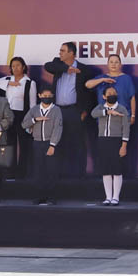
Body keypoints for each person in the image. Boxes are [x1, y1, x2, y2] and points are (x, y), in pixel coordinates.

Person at [44, 42, 93, 178]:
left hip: (74, 111)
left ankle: (79, 175)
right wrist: (66, 69)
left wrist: (84, 111)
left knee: (78, 143)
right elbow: (48, 66)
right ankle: (58, 175)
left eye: (63, 50)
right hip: (58, 111)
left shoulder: (83, 69)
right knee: (57, 142)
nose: (60, 53)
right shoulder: (57, 64)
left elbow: (89, 93)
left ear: (72, 53)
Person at [0, 56, 37, 180]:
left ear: (23, 67)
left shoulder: (29, 82)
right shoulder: (7, 79)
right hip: (8, 115)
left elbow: (33, 104)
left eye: (18, 65)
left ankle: (22, 173)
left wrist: (31, 121)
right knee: (9, 144)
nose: (15, 68)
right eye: (13, 66)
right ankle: (9, 172)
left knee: (24, 145)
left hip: (22, 116)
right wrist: (9, 83)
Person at [91, 86, 131, 206]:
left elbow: (126, 128)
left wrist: (124, 145)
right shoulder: (101, 107)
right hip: (103, 140)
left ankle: (115, 197)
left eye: (114, 93)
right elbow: (93, 114)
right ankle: (108, 197)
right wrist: (107, 112)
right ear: (104, 96)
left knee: (117, 169)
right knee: (106, 170)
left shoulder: (122, 109)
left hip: (117, 141)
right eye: (109, 93)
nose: (112, 95)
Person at [22, 87, 63, 205]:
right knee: (38, 170)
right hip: (37, 142)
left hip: (50, 143)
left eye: (49, 96)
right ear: (39, 95)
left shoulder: (56, 110)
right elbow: (24, 124)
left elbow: (58, 128)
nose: (47, 98)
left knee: (51, 170)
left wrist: (53, 145)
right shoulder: (34, 109)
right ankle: (40, 196)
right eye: (44, 96)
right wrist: (35, 120)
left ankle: (51, 197)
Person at [86, 54, 136, 125]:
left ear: (120, 64)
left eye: (116, 62)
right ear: (107, 64)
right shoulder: (102, 77)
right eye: (111, 62)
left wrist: (133, 115)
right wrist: (102, 80)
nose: (113, 64)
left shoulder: (126, 78)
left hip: (122, 117)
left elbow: (132, 98)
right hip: (104, 118)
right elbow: (87, 85)